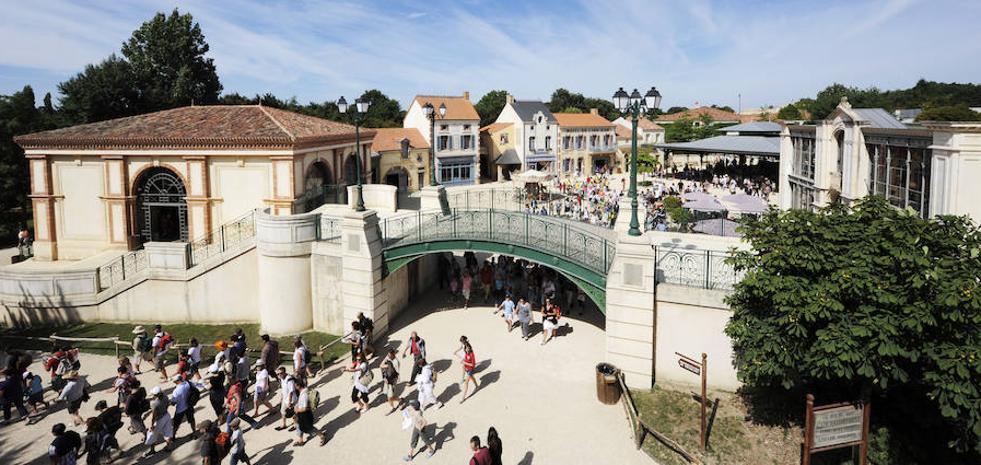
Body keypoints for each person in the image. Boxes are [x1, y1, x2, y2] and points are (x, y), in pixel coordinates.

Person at [292, 379, 327, 446]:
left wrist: (297, 410)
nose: (294, 387)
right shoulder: (302, 392)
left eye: (295, 386)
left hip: (305, 414)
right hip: (301, 414)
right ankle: (300, 440)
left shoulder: (304, 395)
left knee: (309, 428)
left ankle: (322, 436)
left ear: (298, 386)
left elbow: (305, 408)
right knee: (299, 425)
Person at [144, 386, 173, 457]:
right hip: (166, 415)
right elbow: (167, 406)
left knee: (152, 434)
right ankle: (169, 447)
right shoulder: (165, 397)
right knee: (167, 432)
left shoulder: (154, 403)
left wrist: (152, 425)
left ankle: (152, 450)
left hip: (159, 419)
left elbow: (154, 415)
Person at [170, 375, 201, 439]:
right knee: (192, 419)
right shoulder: (188, 383)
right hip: (189, 405)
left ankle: (173, 436)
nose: (174, 382)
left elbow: (173, 403)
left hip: (180, 409)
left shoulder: (176, 391)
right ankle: (194, 432)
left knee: (176, 423)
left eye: (174, 381)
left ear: (177, 381)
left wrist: (170, 402)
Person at [274, 367, 296, 431]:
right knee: (282, 411)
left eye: (281, 373)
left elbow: (291, 391)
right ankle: (284, 425)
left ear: (284, 372)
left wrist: (289, 401)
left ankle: (295, 425)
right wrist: (281, 398)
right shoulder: (281, 379)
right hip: (285, 398)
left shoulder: (289, 379)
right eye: (277, 374)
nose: (279, 375)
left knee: (292, 413)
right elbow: (283, 389)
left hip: (291, 399)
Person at [381, 349, 402, 414]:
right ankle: (399, 400)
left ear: (394, 354)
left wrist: (393, 381)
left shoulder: (396, 362)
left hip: (392, 381)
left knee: (389, 396)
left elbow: (396, 373)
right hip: (386, 379)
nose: (388, 356)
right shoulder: (387, 357)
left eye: (390, 355)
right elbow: (381, 365)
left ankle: (392, 407)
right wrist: (387, 366)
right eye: (388, 355)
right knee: (389, 395)